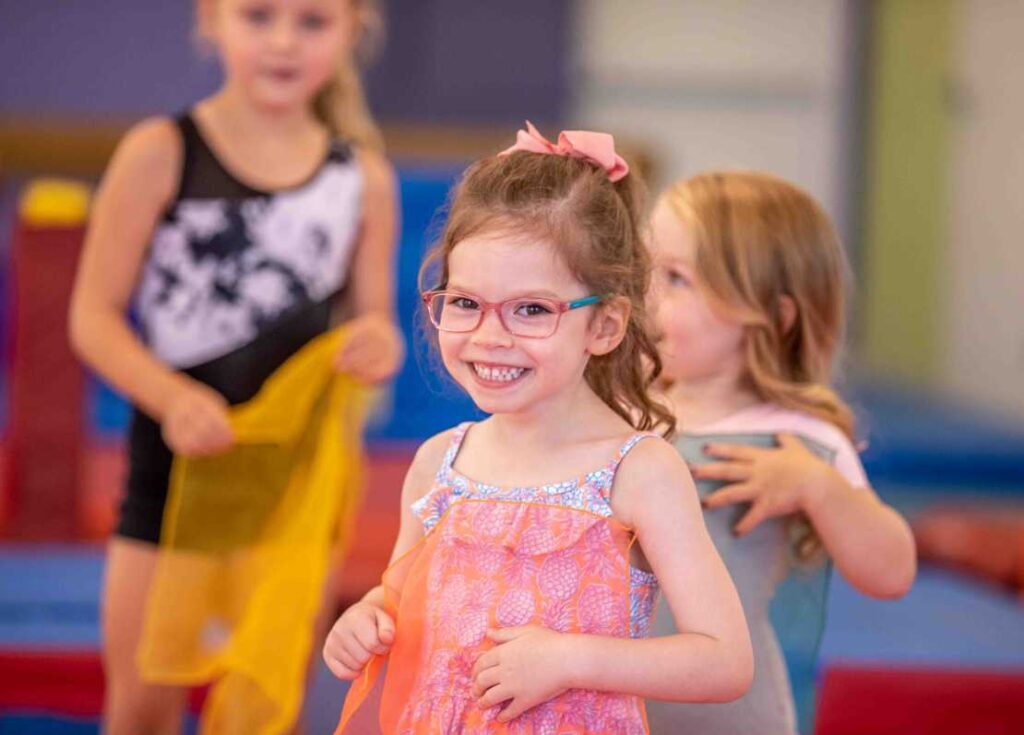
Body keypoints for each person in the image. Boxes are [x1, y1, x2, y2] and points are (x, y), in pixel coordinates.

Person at [323, 123, 753, 734]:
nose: (490, 336)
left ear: (604, 326)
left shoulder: (638, 472)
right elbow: (402, 601)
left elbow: (724, 660)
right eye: (465, 303)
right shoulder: (438, 463)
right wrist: (367, 620)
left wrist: (570, 659)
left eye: (531, 310)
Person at [68, 1, 401, 732]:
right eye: (258, 16)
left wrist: (379, 344)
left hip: (290, 497)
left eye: (312, 22)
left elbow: (374, 323)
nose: (284, 42)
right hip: (171, 483)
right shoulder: (160, 151)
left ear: (352, 30)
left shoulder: (362, 179)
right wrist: (170, 397)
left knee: (265, 706)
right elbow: (92, 315)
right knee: (141, 709)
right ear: (211, 21)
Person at [644, 170, 916, 734]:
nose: (647, 294)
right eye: (645, 268)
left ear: (773, 316)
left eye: (675, 278)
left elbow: (891, 572)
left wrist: (817, 486)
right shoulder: (624, 410)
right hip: (610, 708)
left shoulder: (796, 441)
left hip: (730, 717)